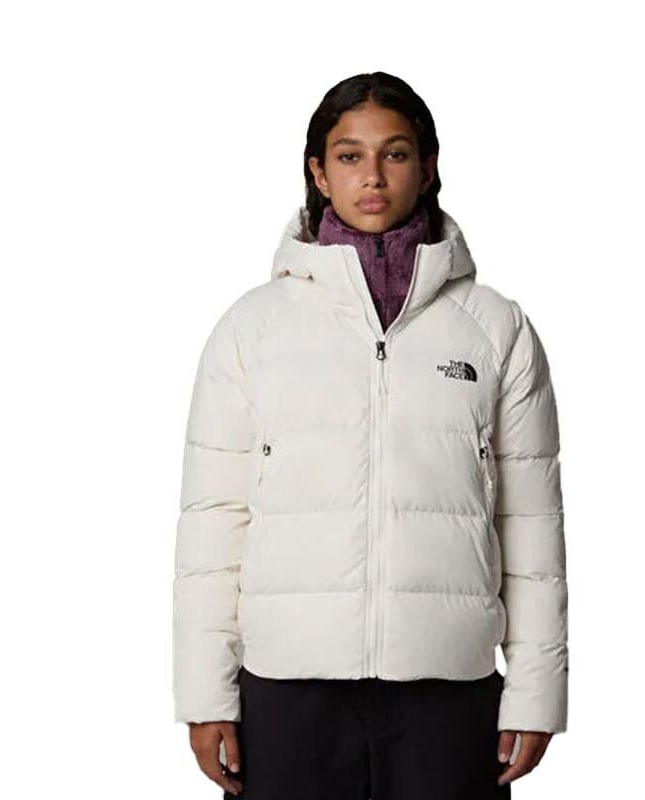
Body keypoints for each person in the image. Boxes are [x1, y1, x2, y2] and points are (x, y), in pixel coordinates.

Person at [172, 71, 568, 800]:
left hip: (448, 690)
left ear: (429, 166)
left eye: (396, 153)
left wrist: (536, 693)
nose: (374, 176)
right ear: (319, 173)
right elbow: (213, 523)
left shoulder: (495, 329)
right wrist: (205, 696)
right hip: (287, 689)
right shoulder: (252, 328)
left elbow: (531, 523)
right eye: (349, 156)